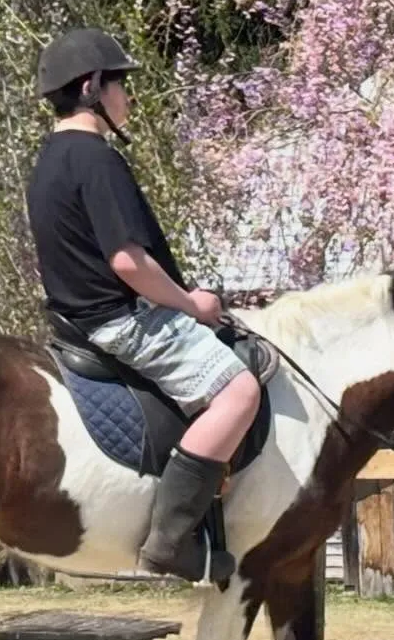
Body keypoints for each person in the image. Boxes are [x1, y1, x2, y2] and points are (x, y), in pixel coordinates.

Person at [25, 28, 263, 581]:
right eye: (120, 86)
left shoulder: (49, 160)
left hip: (80, 320)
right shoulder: (95, 159)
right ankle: (172, 539)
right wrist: (192, 304)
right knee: (239, 390)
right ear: (91, 88)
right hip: (123, 321)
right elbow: (128, 263)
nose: (127, 99)